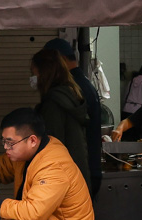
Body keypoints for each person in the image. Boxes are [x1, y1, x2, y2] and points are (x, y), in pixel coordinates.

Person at [43, 38, 104, 195]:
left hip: (78, 172)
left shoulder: (69, 90)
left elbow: (59, 137)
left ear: (60, 60)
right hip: (89, 167)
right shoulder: (84, 84)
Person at [32, 48, 92, 184]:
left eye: (33, 72)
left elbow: (53, 145)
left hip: (63, 182)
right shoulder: (70, 95)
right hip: (77, 174)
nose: (33, 77)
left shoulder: (53, 104)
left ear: (43, 73)